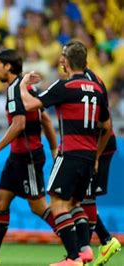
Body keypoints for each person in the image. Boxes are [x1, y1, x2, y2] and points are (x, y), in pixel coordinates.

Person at [18, 41, 112, 266]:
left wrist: (22, 84)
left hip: (70, 154)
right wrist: (97, 155)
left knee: (58, 205)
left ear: (65, 61)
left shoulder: (65, 86)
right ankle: (86, 250)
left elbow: (30, 104)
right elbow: (107, 127)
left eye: (62, 56)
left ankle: (73, 258)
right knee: (74, 203)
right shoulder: (98, 88)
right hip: (89, 157)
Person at [0, 49, 58, 265]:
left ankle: (75, 246)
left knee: (38, 206)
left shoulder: (15, 90)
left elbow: (19, 124)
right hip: (17, 158)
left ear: (8, 67)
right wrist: (54, 148)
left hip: (28, 158)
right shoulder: (26, 88)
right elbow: (44, 119)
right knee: (1, 200)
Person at [82, 67, 121, 265]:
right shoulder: (88, 77)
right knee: (82, 198)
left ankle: (82, 256)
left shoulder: (88, 81)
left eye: (64, 56)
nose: (60, 61)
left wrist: (95, 155)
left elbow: (103, 122)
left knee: (86, 199)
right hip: (93, 147)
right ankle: (105, 240)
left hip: (99, 147)